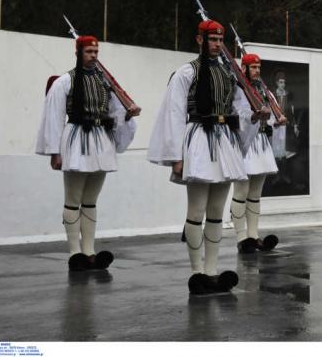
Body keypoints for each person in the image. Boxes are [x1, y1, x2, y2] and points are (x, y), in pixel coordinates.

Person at [147, 19, 244, 295]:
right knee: (197, 210)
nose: (216, 44)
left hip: (224, 140)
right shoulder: (185, 73)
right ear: (200, 40)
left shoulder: (228, 73)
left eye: (219, 40)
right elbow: (174, 113)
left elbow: (238, 107)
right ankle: (196, 270)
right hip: (199, 139)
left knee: (216, 213)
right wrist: (176, 156)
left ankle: (212, 271)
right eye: (212, 40)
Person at [36, 35, 138, 271]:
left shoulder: (105, 83)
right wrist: (54, 151)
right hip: (76, 139)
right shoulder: (65, 81)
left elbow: (115, 111)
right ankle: (74, 252)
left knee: (90, 200)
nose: (93, 56)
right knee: (73, 199)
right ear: (78, 53)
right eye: (89, 52)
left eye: (96, 52)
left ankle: (89, 251)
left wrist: (128, 114)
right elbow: (54, 117)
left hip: (100, 142)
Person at [231, 53, 284, 253]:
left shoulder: (262, 89)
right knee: (241, 192)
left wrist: (275, 120)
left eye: (258, 67)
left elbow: (269, 112)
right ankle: (241, 237)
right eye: (253, 67)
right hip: (245, 141)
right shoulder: (239, 88)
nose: (257, 71)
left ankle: (253, 236)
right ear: (243, 68)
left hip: (260, 140)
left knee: (255, 194)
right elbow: (237, 112)